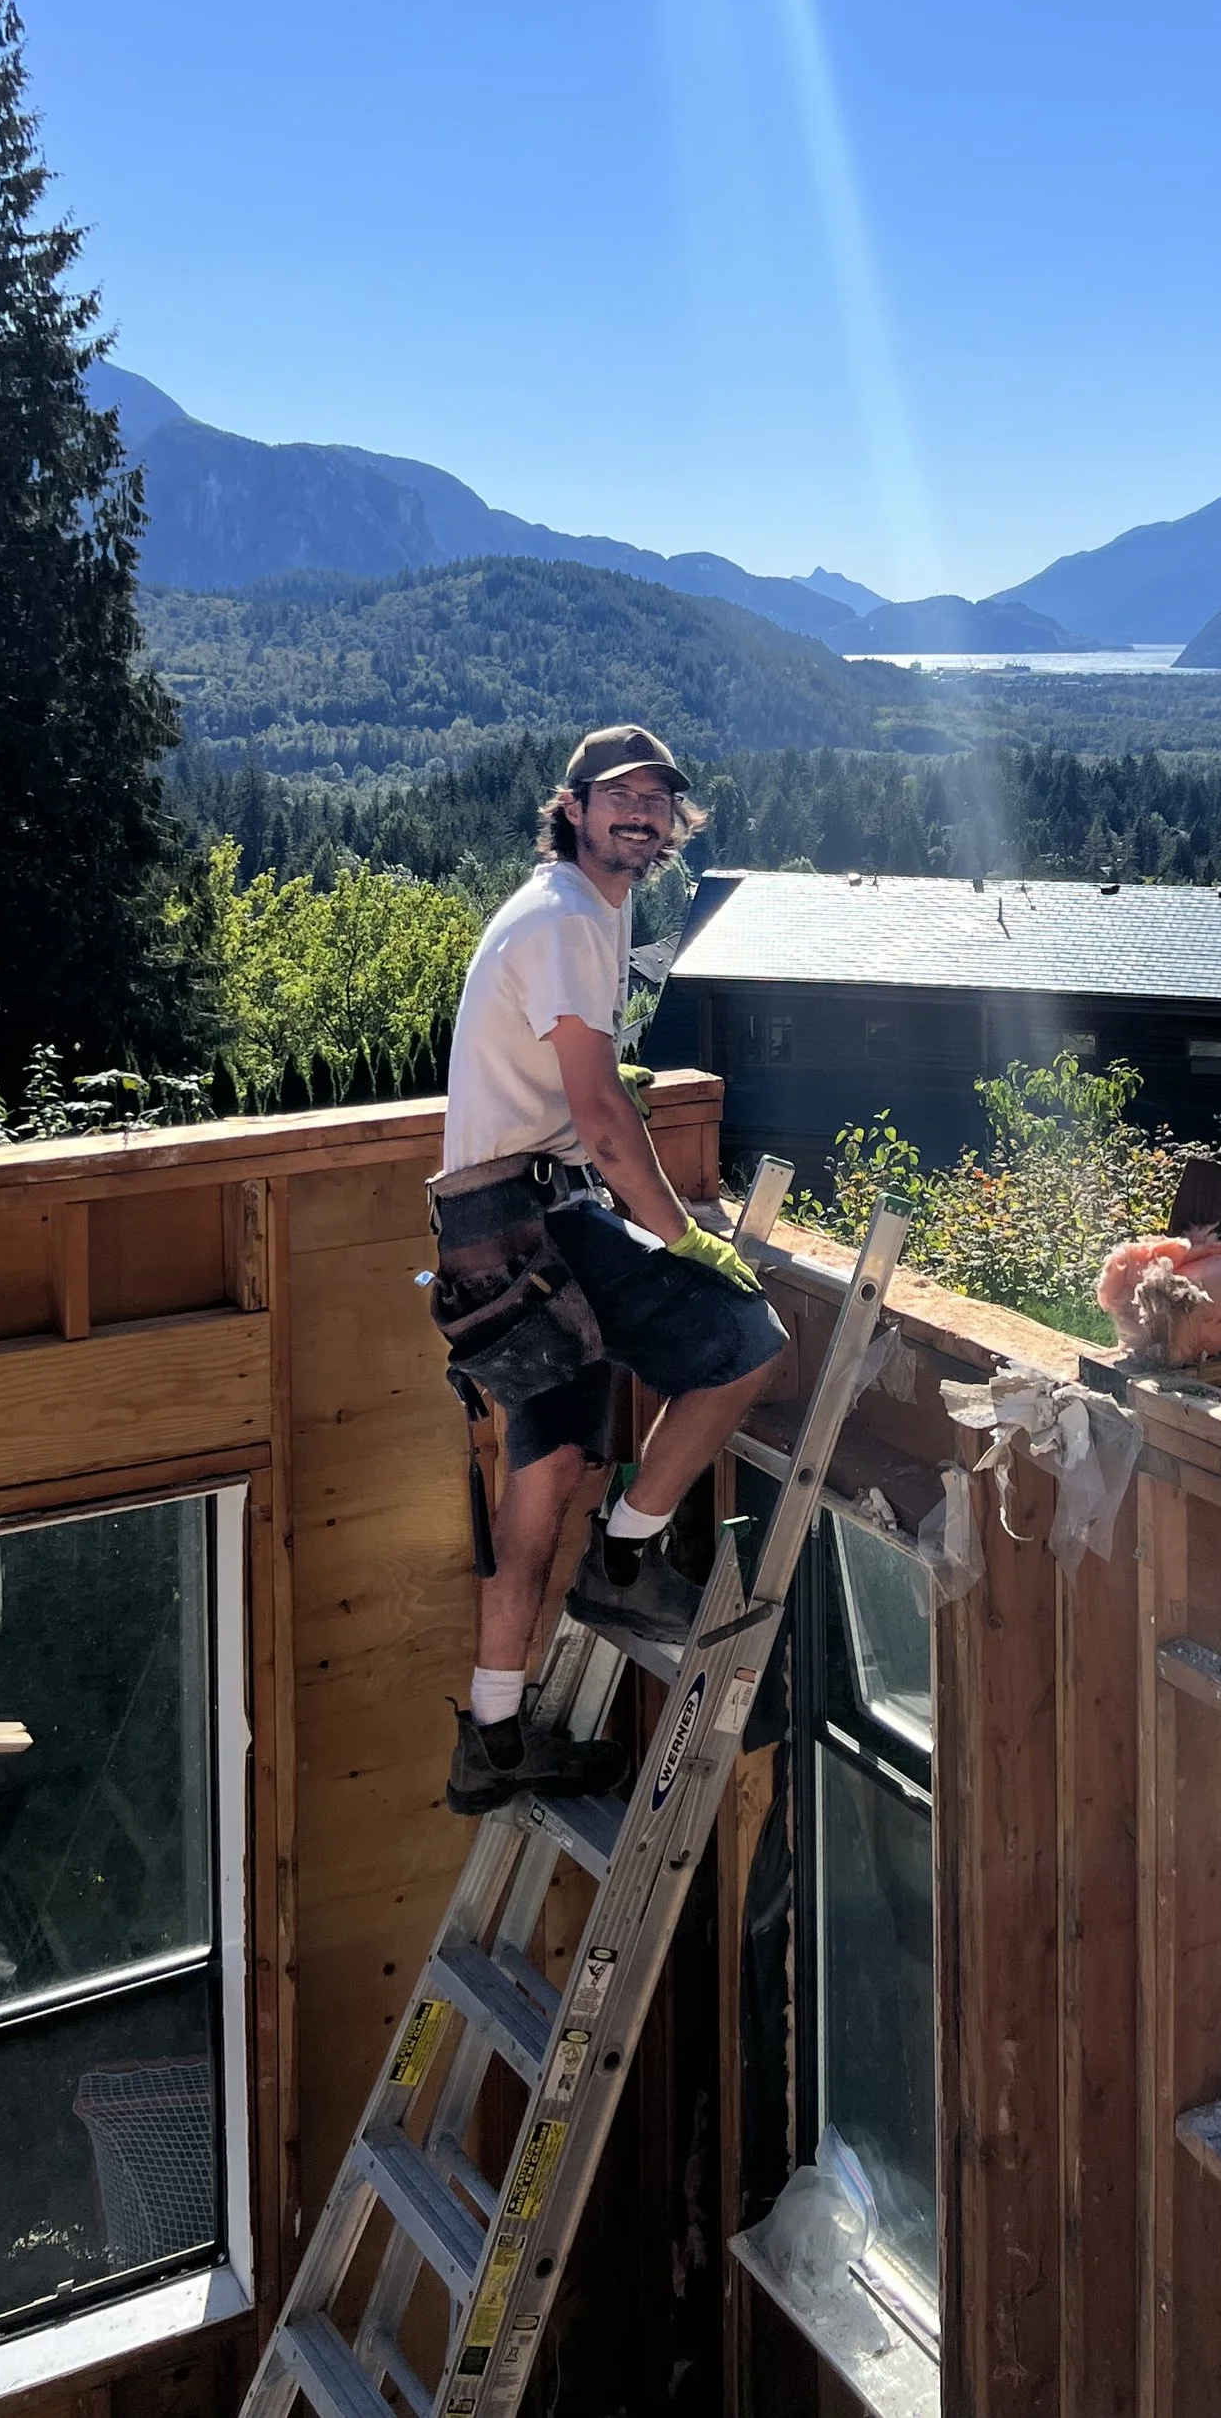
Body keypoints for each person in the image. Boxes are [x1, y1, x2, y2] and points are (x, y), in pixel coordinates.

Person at [426, 725, 785, 1815]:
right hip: (539, 1221)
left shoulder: (583, 907)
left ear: (674, 822)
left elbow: (571, 1080)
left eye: (657, 800)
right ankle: (624, 1565)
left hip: (490, 1230)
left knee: (538, 1485)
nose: (640, 813)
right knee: (744, 1345)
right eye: (617, 796)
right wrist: (682, 1235)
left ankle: (493, 1741)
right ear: (572, 807)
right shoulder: (569, 915)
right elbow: (597, 1110)